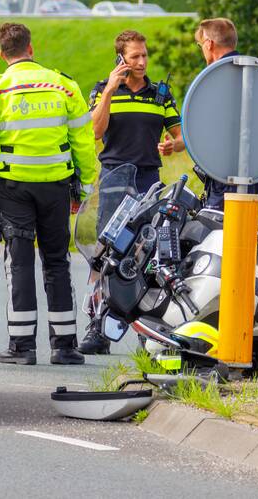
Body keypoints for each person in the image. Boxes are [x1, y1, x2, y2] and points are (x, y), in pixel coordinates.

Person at [0, 22, 99, 366]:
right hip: (56, 186)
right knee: (57, 261)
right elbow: (83, 142)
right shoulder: (65, 86)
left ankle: (22, 347)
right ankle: (65, 346)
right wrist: (84, 187)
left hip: (13, 190)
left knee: (20, 263)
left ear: (2, 53)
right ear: (31, 48)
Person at [77, 29, 185, 354]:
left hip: (148, 182)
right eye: (134, 56)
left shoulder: (161, 93)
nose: (141, 61)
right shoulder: (101, 89)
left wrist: (173, 145)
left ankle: (147, 332)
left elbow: (181, 137)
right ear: (120, 58)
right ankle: (97, 327)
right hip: (113, 180)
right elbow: (94, 131)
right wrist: (110, 90)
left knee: (150, 257)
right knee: (104, 258)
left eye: (144, 55)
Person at [193, 17, 258, 210]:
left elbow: (206, 128)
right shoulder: (256, 74)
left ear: (209, 44)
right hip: (255, 173)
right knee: (246, 231)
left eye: (200, 44)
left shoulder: (214, 79)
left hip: (223, 174)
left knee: (220, 233)